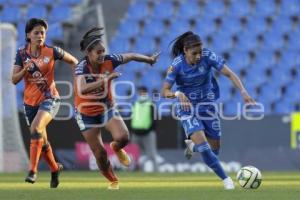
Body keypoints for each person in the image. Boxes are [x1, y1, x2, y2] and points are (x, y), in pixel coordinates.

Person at [161, 31, 255, 190]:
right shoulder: (176, 65)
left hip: (208, 106)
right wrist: (177, 93)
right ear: (185, 50)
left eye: (200, 52)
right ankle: (227, 180)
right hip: (187, 108)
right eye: (194, 53)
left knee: (214, 149)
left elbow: (230, 74)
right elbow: (164, 91)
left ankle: (192, 146)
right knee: (205, 148)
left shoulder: (208, 56)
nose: (198, 56)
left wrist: (243, 92)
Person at [74, 27, 159, 190]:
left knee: (124, 137)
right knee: (99, 154)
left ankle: (116, 147)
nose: (102, 55)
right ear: (89, 53)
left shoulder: (109, 60)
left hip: (106, 107)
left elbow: (131, 55)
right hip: (86, 113)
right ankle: (113, 181)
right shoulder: (82, 67)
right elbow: (83, 89)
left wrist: (148, 60)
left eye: (103, 51)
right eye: (98, 52)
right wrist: (106, 79)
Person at [11, 18, 78, 188]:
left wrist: (78, 81)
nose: (40, 35)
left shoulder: (53, 51)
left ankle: (32, 171)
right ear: (28, 35)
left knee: (36, 128)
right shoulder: (21, 54)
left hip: (50, 99)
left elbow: (74, 61)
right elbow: (14, 80)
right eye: (36, 33)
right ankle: (55, 169)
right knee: (42, 139)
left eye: (42, 32)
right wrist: (25, 70)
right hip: (29, 104)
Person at [130, 86, 158, 172]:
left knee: (152, 154)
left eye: (143, 93)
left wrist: (149, 130)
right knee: (134, 154)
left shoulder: (151, 104)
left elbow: (154, 120)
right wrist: (132, 129)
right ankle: (133, 171)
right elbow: (132, 118)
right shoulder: (135, 104)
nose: (141, 94)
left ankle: (156, 171)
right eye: (140, 93)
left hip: (148, 133)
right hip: (136, 133)